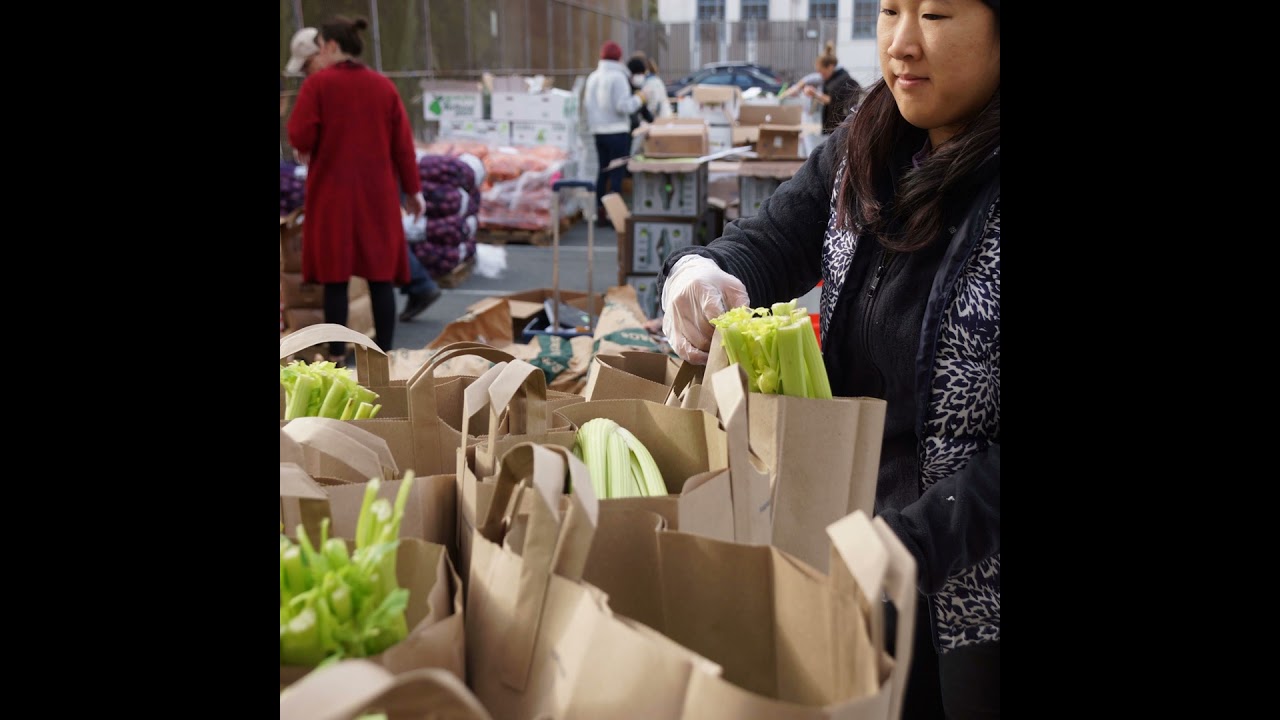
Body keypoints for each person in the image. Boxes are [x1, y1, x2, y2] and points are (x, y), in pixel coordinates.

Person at [657, 1, 1000, 717]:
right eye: (890, 10)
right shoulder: (868, 141)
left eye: (936, 14)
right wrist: (705, 272)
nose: (902, 43)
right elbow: (776, 238)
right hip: (851, 549)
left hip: (973, 594)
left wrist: (909, 541)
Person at [287, 15, 426, 363]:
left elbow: (300, 136)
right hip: (377, 197)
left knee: (335, 279)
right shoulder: (383, 87)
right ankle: (385, 356)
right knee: (380, 278)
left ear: (332, 46)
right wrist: (413, 192)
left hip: (332, 197)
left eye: (321, 46)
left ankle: (336, 355)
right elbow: (403, 147)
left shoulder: (318, 86)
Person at [585, 40, 646, 226]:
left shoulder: (593, 77)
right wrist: (639, 99)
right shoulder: (618, 77)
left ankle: (600, 213)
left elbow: (587, 105)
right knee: (616, 174)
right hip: (617, 131)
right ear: (619, 57)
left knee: (602, 172)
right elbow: (623, 106)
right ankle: (615, 216)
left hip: (598, 132)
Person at [804, 41, 863, 134]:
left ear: (830, 67)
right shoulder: (831, 79)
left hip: (841, 127)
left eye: (822, 72)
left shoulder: (842, 80)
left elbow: (830, 100)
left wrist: (814, 93)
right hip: (833, 125)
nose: (820, 75)